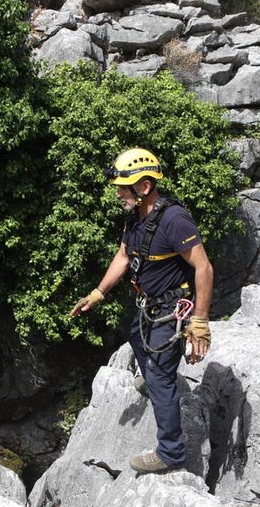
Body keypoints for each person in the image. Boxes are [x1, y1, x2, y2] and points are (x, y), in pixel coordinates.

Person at [70, 147, 213, 474]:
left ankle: (171, 453)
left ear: (144, 187)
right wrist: (97, 292)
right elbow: (123, 256)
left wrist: (200, 322)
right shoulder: (135, 215)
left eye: (124, 187)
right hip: (149, 304)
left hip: (172, 308)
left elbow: (203, 268)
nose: (119, 193)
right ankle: (153, 380)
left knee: (162, 378)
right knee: (133, 335)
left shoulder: (175, 220)